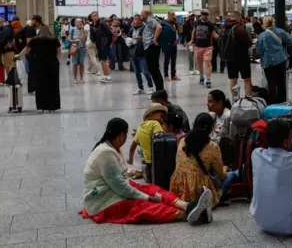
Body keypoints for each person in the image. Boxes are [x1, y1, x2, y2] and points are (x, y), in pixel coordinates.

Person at [81, 118, 213, 225]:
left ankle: (187, 206)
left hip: (112, 188)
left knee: (152, 189)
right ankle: (188, 214)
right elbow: (120, 187)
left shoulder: (110, 147)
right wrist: (147, 198)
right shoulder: (105, 153)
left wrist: (139, 177)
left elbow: (118, 174)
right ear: (122, 134)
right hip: (103, 199)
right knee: (141, 205)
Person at [256, 16, 292, 104]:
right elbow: (291, 40)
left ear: (264, 24)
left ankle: (272, 103)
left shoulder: (262, 36)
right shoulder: (280, 32)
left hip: (268, 62)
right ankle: (282, 101)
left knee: (271, 83)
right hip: (281, 60)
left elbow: (259, 51)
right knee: (281, 82)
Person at [127, 104, 168, 184]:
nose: (162, 118)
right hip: (158, 161)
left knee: (151, 178)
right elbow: (160, 139)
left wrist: (130, 160)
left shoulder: (140, 127)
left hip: (148, 163)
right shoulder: (155, 124)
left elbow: (132, 147)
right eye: (161, 115)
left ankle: (144, 173)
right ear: (151, 114)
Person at [25, 31, 61, 112]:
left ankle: (42, 106)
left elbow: (27, 51)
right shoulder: (54, 39)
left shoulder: (34, 40)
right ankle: (52, 107)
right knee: (53, 86)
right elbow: (59, 51)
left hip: (39, 64)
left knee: (40, 85)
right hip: (52, 64)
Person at [223, 11, 253, 96]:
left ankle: (235, 99)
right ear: (237, 18)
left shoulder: (225, 28)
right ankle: (248, 98)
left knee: (233, 79)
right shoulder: (239, 28)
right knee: (247, 79)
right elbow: (248, 43)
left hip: (230, 58)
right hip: (242, 58)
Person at [189, 9, 218, 88]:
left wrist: (221, 39)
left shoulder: (210, 25)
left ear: (208, 15)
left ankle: (208, 79)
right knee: (199, 63)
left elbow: (214, 34)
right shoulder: (196, 23)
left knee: (208, 62)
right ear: (201, 15)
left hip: (207, 47)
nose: (205, 16)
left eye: (206, 15)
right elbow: (193, 32)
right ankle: (201, 76)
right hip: (198, 46)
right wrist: (192, 40)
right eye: (203, 14)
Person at [129, 15, 154, 95]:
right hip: (133, 52)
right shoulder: (132, 29)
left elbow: (149, 38)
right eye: (133, 19)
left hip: (142, 53)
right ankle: (140, 88)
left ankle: (150, 86)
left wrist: (142, 38)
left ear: (140, 20)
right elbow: (130, 38)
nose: (134, 21)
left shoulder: (145, 28)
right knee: (136, 71)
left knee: (145, 71)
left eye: (136, 19)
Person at [141, 10, 164, 91]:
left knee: (154, 69)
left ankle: (160, 89)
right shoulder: (148, 21)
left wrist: (154, 39)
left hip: (151, 47)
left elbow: (159, 27)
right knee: (154, 69)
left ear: (145, 15)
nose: (141, 16)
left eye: (141, 14)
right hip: (150, 47)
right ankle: (159, 89)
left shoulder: (150, 19)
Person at [92, 12, 113, 83]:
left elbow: (110, 33)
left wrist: (108, 42)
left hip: (104, 44)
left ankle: (108, 77)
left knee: (104, 60)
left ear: (98, 16)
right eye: (93, 16)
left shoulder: (102, 23)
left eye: (96, 16)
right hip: (99, 45)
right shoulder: (95, 25)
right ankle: (105, 75)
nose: (94, 17)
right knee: (102, 61)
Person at [68, 18, 88, 84]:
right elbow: (69, 39)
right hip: (74, 48)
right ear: (75, 23)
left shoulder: (85, 30)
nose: (80, 23)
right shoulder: (72, 30)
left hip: (82, 48)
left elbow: (84, 39)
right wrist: (74, 41)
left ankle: (81, 78)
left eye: (81, 22)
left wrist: (82, 30)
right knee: (75, 64)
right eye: (78, 22)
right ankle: (75, 78)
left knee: (81, 63)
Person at [163, 16, 180, 82]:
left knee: (173, 60)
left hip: (174, 45)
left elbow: (180, 31)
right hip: (167, 45)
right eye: (171, 15)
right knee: (167, 61)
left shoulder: (174, 25)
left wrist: (176, 23)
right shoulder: (165, 25)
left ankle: (173, 75)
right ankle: (166, 75)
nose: (173, 17)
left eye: (174, 15)